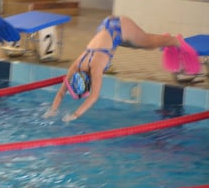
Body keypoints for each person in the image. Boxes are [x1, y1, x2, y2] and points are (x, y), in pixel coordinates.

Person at [43, 15, 200, 122]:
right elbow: (62, 91)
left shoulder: (96, 66)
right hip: (107, 26)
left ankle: (176, 41)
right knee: (142, 42)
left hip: (119, 27)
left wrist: (75, 115)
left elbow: (94, 97)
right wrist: (53, 110)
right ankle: (165, 39)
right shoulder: (76, 65)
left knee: (146, 42)